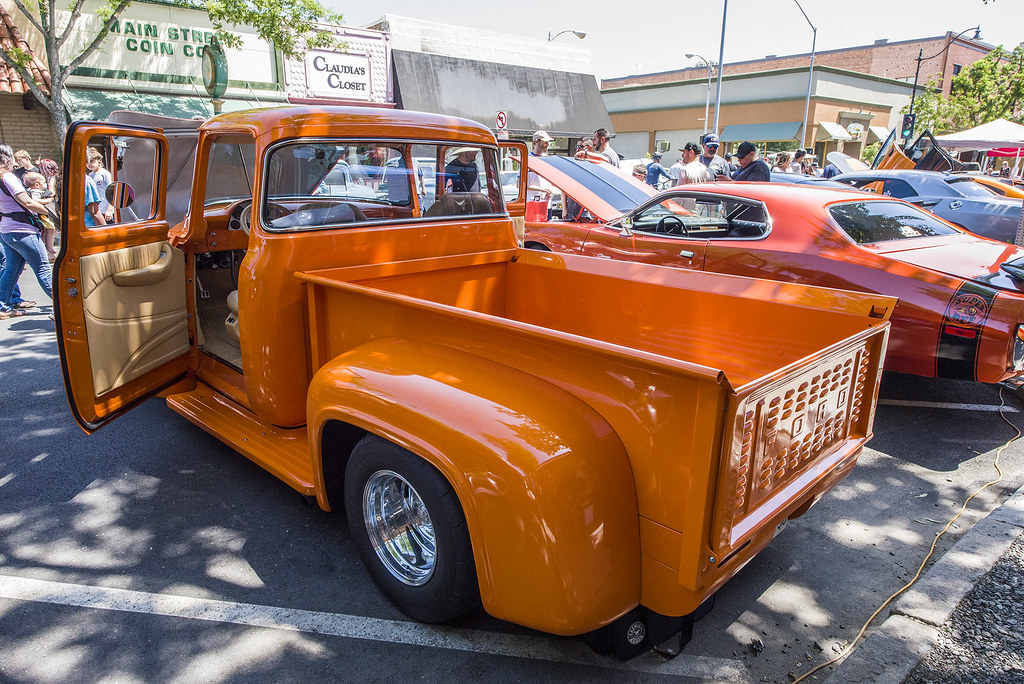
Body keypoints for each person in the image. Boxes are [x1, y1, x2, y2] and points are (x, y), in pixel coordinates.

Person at [0, 143, 51, 319]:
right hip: (22, 230)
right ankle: (68, 304)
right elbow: (27, 202)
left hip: (7, 230)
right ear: (8, 157)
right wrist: (50, 213)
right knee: (43, 269)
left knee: (12, 268)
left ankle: (3, 306)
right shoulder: (8, 177)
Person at [21, 171, 58, 262]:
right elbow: (34, 200)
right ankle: (49, 248)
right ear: (36, 185)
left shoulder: (34, 191)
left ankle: (48, 249)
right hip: (41, 215)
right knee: (52, 229)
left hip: (40, 216)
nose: (46, 184)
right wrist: (47, 201)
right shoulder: (35, 192)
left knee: (46, 231)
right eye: (44, 182)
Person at [86, 147, 113, 222]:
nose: (89, 164)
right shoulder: (90, 175)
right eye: (87, 162)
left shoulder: (105, 174)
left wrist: (110, 210)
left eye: (92, 161)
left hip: (106, 211)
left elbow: (112, 192)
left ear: (99, 161)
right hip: (97, 211)